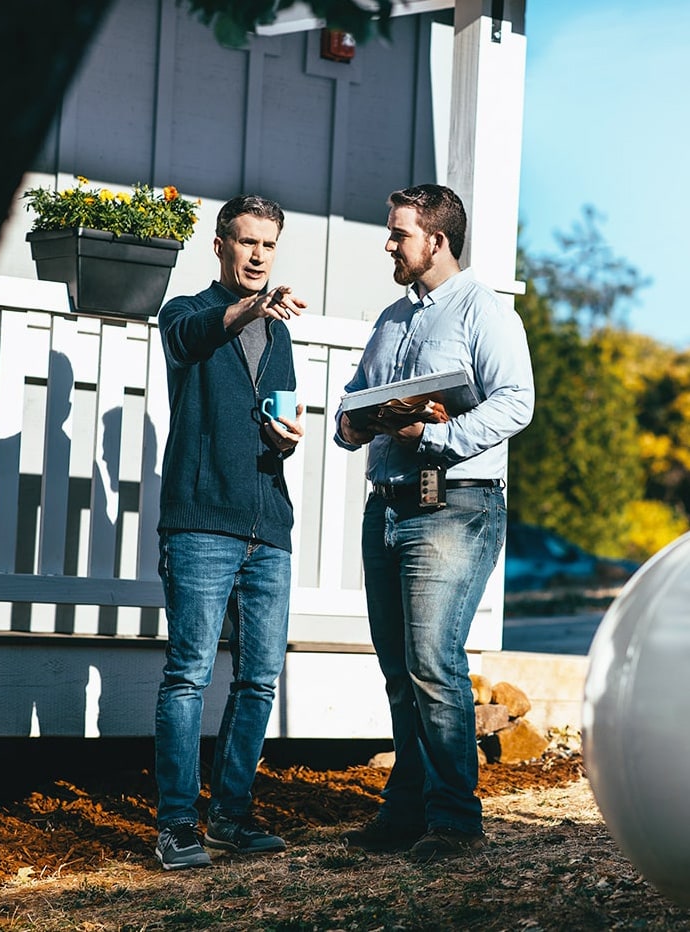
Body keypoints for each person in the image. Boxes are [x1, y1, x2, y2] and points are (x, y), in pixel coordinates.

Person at [334, 184, 534, 862]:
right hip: (386, 504)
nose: (388, 243)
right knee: (399, 669)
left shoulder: (487, 312)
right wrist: (357, 420)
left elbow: (516, 402)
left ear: (436, 241)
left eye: (398, 233)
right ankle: (408, 808)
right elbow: (349, 410)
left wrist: (434, 436)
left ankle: (455, 820)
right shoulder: (392, 318)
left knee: (433, 662)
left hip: (456, 507)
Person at [154, 194, 306, 870]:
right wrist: (251, 306)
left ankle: (231, 817)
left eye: (268, 246)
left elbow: (287, 418)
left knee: (260, 680)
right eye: (247, 243)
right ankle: (176, 824)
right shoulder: (184, 313)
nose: (258, 257)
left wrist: (287, 435)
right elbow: (195, 339)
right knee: (188, 675)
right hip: (200, 522)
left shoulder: (280, 334)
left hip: (268, 522)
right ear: (220, 244)